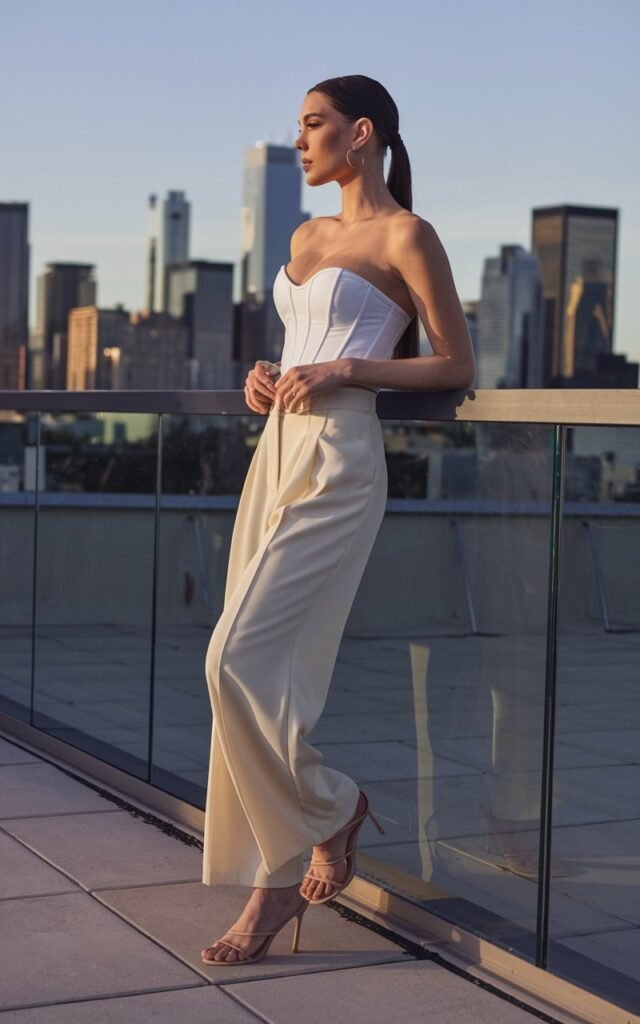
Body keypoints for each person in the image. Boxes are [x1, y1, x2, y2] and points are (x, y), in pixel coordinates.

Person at [201, 74, 476, 966]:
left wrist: (349, 370)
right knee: (264, 668)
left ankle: (318, 823)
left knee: (231, 658)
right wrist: (271, 374)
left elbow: (452, 365)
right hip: (275, 449)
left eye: (313, 124)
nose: (300, 139)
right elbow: (303, 342)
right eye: (298, 125)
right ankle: (309, 835)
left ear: (361, 134)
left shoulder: (408, 234)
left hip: (339, 461)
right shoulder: (305, 234)